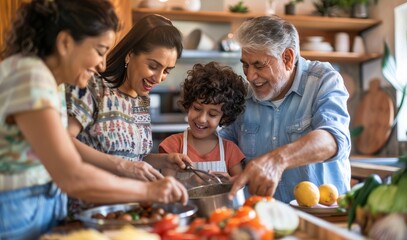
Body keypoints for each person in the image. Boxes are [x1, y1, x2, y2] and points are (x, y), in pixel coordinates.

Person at [0, 1, 187, 239]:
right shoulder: (30, 77)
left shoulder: (46, 81)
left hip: (38, 209)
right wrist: (148, 190)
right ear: (66, 43)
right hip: (17, 213)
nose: (102, 64)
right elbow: (72, 176)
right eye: (100, 50)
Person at [65, 14, 192, 214]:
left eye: (167, 70)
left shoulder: (140, 100)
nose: (158, 78)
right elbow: (64, 141)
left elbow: (134, 158)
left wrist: (163, 160)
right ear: (130, 55)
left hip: (128, 211)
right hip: (88, 212)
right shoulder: (93, 87)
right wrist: (121, 166)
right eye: (153, 66)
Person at [221, 15, 351, 203]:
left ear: (288, 58)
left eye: (259, 65)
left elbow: (333, 140)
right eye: (245, 65)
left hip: (323, 217)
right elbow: (223, 145)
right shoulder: (244, 97)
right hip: (263, 219)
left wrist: (277, 160)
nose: (250, 75)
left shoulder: (323, 80)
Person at [158, 62, 247, 184]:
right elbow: (166, 187)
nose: (201, 119)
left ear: (224, 116)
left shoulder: (230, 150)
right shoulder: (172, 146)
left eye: (212, 114)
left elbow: (241, 186)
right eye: (197, 108)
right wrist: (189, 183)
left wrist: (229, 181)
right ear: (188, 105)